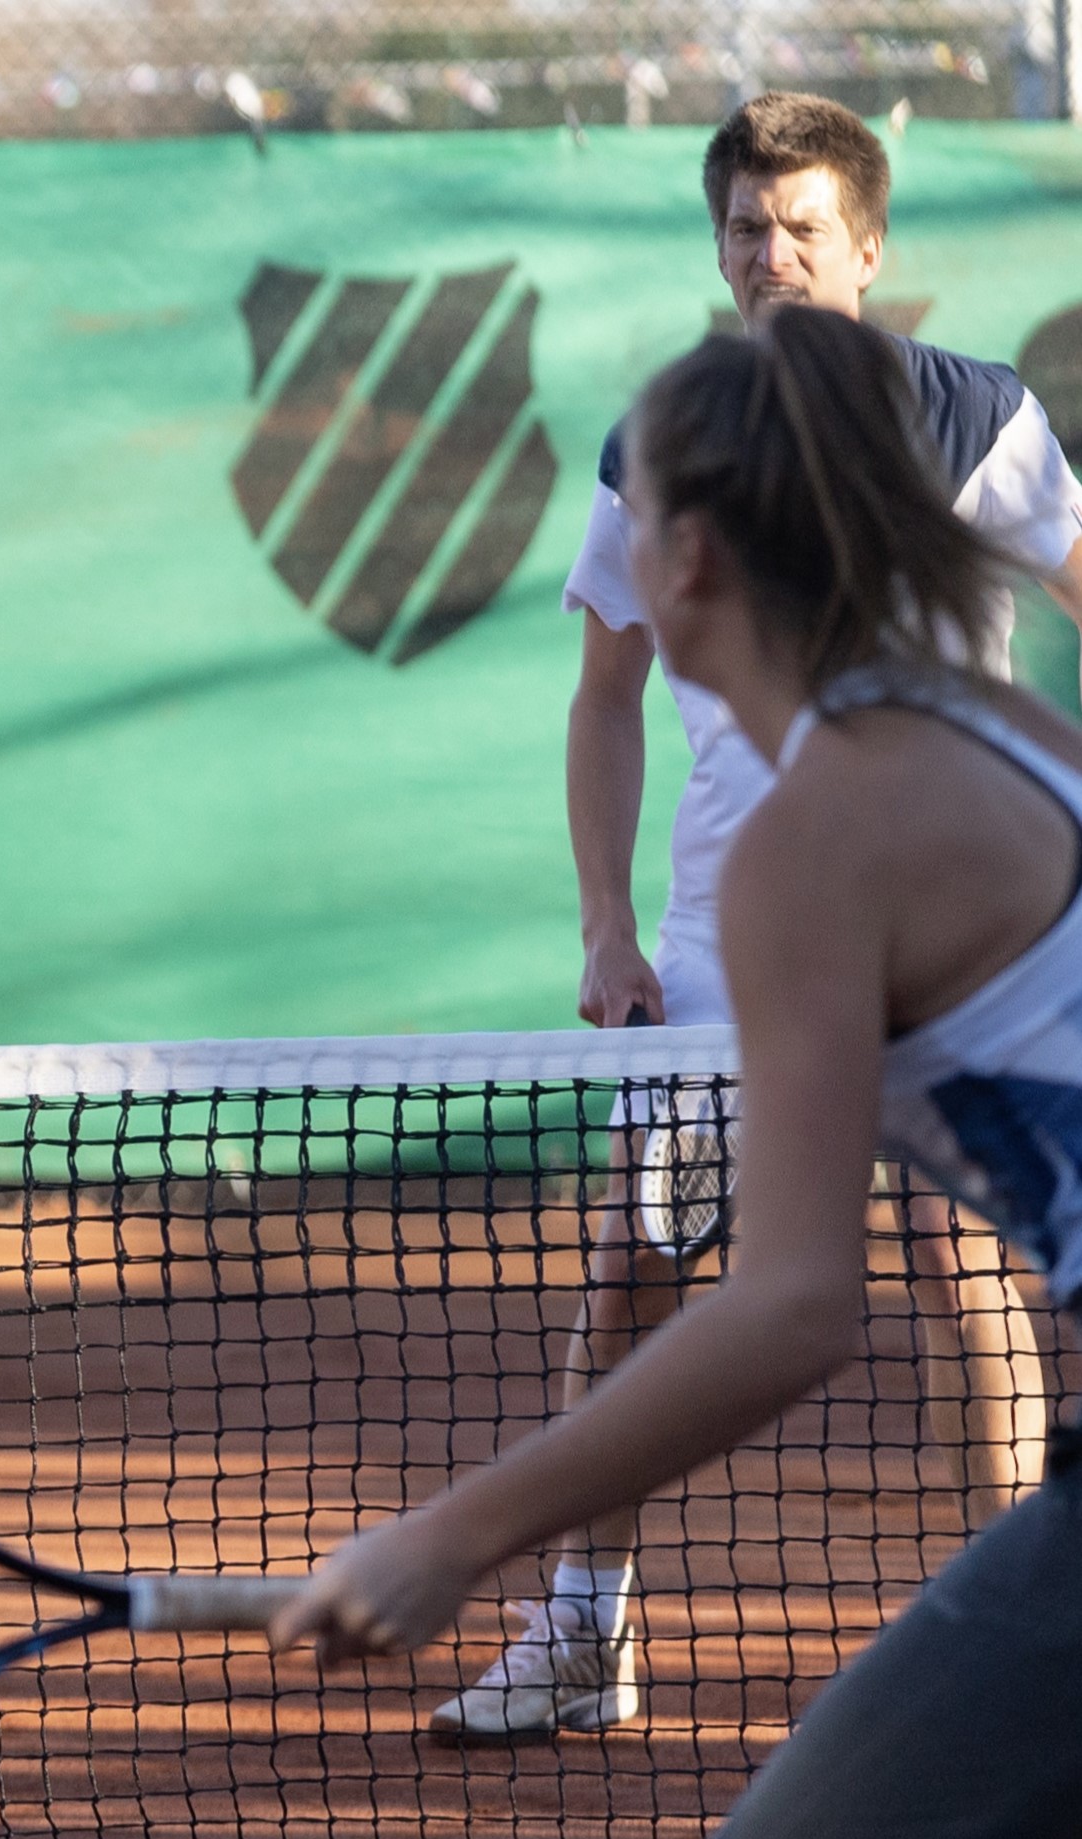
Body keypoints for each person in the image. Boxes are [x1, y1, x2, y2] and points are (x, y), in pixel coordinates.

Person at [290, 304, 1082, 1839]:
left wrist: (457, 1527)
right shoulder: (1001, 738)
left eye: (627, 496)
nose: (610, 530)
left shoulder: (819, 834)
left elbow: (788, 1303)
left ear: (694, 555)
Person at [458, 90, 1082, 1741]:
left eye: (804, 225)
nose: (774, 253)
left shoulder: (973, 420)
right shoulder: (658, 447)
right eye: (746, 226)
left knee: (966, 1264)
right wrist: (606, 923)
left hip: (951, 948)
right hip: (734, 952)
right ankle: (583, 1634)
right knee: (638, 1273)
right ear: (717, 247)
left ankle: (1022, 1647)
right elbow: (602, 695)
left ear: (866, 246)